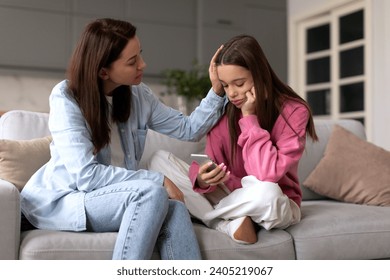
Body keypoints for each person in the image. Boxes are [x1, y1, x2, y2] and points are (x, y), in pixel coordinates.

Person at [20, 18, 226, 260]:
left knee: (176, 208)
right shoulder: (67, 98)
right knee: (152, 192)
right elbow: (87, 176)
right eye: (132, 61)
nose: (143, 64)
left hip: (120, 198)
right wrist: (158, 179)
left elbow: (189, 129)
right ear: (103, 70)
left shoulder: (139, 96)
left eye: (140, 55)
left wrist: (217, 90)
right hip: (67, 199)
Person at [149, 34, 318, 244]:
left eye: (239, 83)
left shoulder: (294, 111)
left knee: (268, 193)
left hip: (273, 201)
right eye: (225, 85)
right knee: (158, 160)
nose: (232, 94)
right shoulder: (224, 111)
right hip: (231, 194)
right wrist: (202, 179)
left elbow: (266, 174)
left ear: (260, 75)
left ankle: (212, 217)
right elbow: (212, 164)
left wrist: (250, 118)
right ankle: (228, 222)